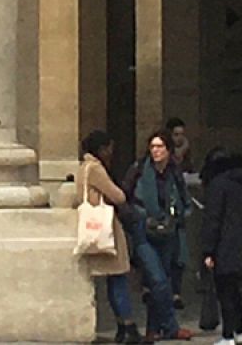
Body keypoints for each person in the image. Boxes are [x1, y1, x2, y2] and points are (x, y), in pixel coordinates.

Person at [124, 130, 195, 341]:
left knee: (162, 280)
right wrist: (136, 218)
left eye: (160, 147)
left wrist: (178, 215)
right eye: (152, 146)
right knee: (158, 280)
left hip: (167, 231)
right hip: (144, 231)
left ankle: (152, 329)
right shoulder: (138, 169)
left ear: (168, 150)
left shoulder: (174, 171)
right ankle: (171, 326)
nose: (155, 151)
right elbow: (124, 197)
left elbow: (184, 198)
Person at [79, 130, 142, 345]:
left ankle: (123, 326)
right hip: (107, 229)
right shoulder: (95, 168)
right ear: (102, 148)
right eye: (109, 148)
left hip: (97, 226)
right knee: (119, 278)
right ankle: (127, 326)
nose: (111, 152)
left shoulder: (83, 168)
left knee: (114, 280)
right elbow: (119, 196)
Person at [200, 147, 242, 345]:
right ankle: (239, 332)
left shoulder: (218, 185)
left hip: (224, 245)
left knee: (225, 293)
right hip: (240, 244)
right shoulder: (240, 183)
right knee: (235, 292)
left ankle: (228, 335)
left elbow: (213, 220)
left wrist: (208, 250)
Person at [164, 117, 195, 310]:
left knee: (179, 255)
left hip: (178, 214)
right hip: (164, 213)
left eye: (181, 135)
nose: (179, 139)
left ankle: (176, 291)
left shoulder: (185, 153)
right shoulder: (166, 157)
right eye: (175, 135)